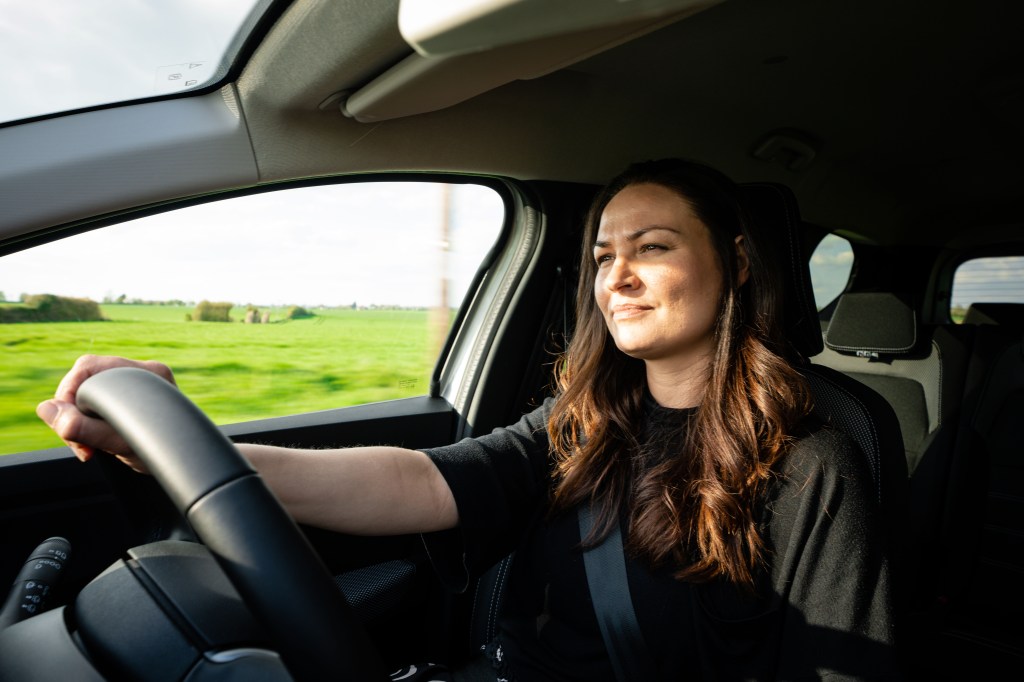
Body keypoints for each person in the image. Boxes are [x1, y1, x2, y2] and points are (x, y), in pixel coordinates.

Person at [37, 159, 901, 681]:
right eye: (604, 255)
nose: (619, 277)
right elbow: (421, 480)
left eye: (655, 247)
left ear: (736, 262)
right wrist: (188, 448)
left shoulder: (813, 461)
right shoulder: (582, 421)